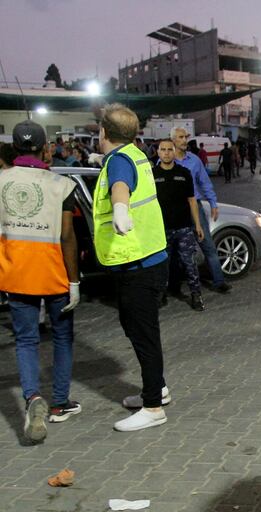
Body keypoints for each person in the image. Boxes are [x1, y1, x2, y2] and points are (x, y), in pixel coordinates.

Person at [0, 120, 81, 444]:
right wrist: (74, 280)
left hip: (16, 272)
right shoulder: (61, 185)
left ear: (14, 148)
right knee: (62, 338)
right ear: (46, 147)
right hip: (54, 272)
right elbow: (67, 236)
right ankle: (59, 404)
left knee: (26, 340)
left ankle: (33, 398)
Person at [93, 104, 172, 432]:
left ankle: (153, 407)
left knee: (144, 335)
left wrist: (120, 209)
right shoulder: (135, 154)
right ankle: (159, 389)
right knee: (139, 329)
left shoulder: (119, 161)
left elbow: (121, 187)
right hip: (150, 259)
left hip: (137, 265)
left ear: (103, 133)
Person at [170, 127, 232, 294]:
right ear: (173, 140)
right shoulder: (166, 161)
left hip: (195, 207)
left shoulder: (194, 160)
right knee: (174, 249)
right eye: (181, 137)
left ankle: (219, 281)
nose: (184, 140)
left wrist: (213, 203)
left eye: (186, 137)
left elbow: (205, 183)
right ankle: (174, 286)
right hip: (175, 209)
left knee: (208, 245)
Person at [153, 138, 205, 311]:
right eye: (163, 149)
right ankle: (161, 295)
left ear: (174, 152)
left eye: (169, 149)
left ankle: (196, 295)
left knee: (189, 263)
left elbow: (192, 201)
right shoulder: (152, 175)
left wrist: (197, 225)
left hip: (183, 228)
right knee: (162, 265)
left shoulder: (184, 173)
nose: (167, 152)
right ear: (158, 152)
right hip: (161, 230)